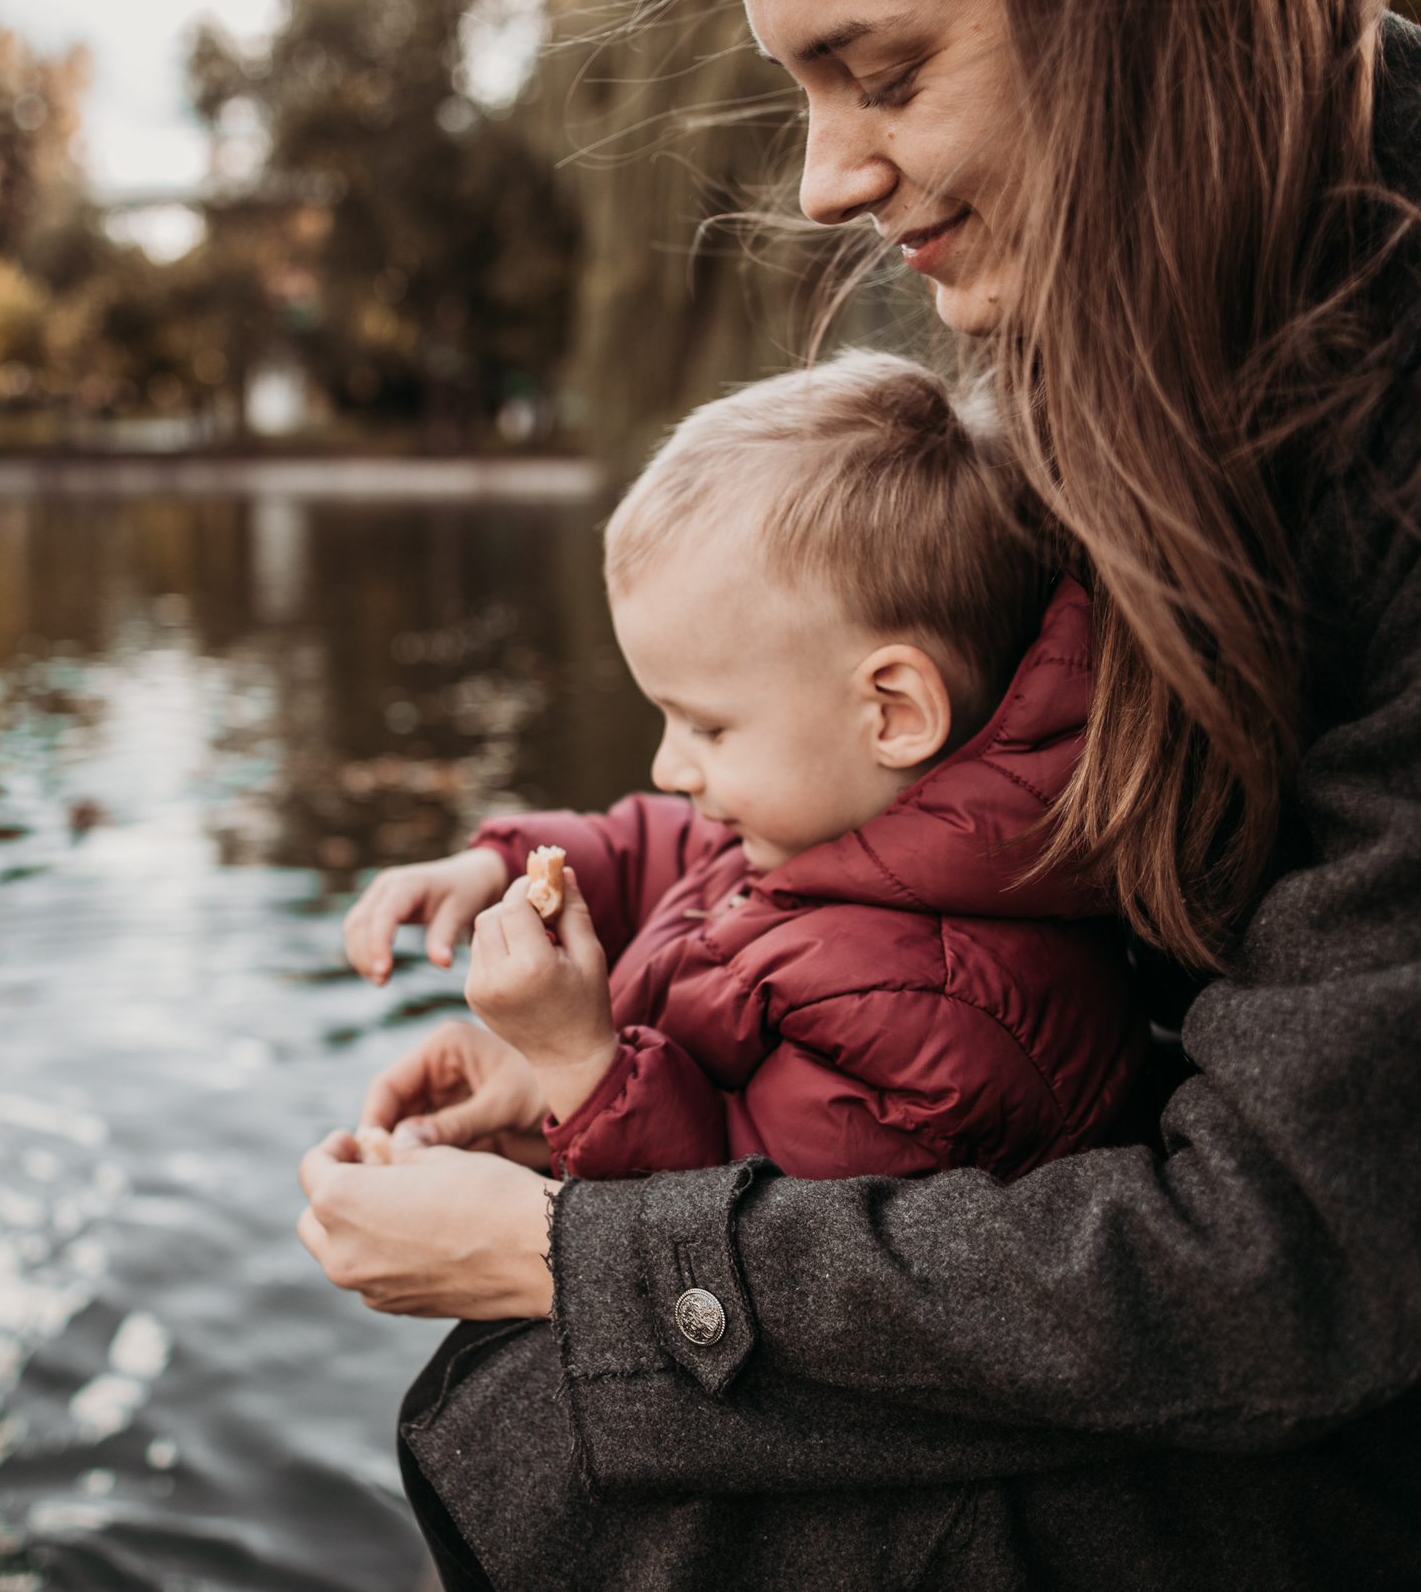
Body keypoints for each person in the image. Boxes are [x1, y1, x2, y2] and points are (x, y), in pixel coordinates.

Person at [294, 0, 1421, 1584]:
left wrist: (576, 1251)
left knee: (598, 1433)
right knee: (560, 1405)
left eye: (885, 75)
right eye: (803, 90)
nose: (822, 181)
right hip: (1243, 1299)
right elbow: (881, 899)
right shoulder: (1113, 304)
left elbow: (1283, 1252)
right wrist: (621, 1062)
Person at [348, 353, 1138, 1185]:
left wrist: (575, 1060)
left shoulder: (944, 1019)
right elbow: (660, 851)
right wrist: (499, 866)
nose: (667, 767)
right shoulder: (811, 822)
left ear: (893, 714)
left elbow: (738, 1227)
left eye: (707, 726)